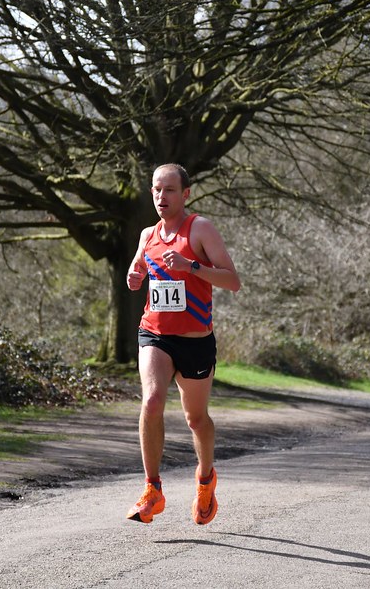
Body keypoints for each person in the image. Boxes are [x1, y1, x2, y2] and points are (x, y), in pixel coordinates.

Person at [124, 163, 241, 525]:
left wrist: (192, 267)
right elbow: (136, 272)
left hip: (195, 342)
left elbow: (232, 281)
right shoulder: (147, 234)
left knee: (195, 419)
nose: (162, 196)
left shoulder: (200, 229)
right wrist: (134, 276)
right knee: (153, 399)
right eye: (157, 189)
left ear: (185, 194)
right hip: (155, 334)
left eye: (170, 190)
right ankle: (152, 489)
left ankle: (205, 479)